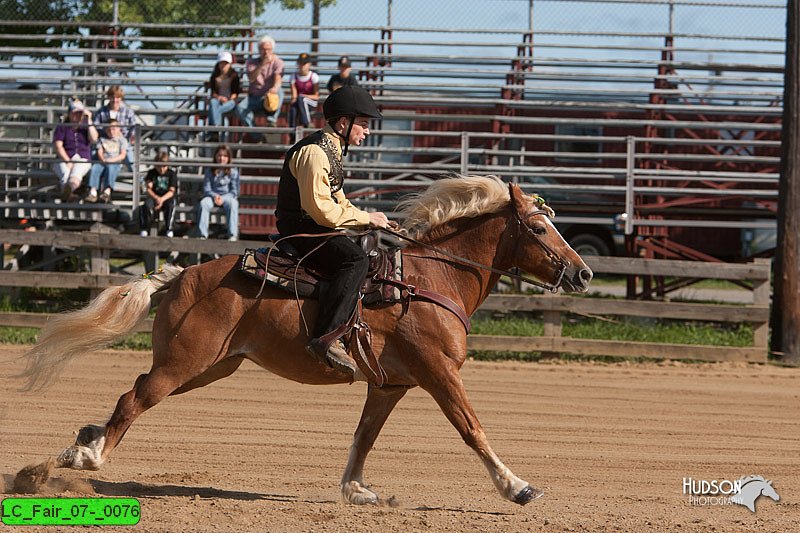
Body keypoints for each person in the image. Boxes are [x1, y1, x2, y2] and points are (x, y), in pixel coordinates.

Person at [275, 85, 388, 376]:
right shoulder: (315, 153)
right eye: (363, 124)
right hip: (302, 229)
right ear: (343, 123)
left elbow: (338, 200)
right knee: (356, 260)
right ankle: (326, 338)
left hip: (312, 225)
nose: (366, 131)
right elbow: (322, 211)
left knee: (367, 246)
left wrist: (369, 218)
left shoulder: (332, 151)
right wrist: (364, 218)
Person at [52, 99, 98, 202]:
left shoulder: (86, 126)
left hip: (83, 157)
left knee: (76, 173)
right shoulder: (62, 127)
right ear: (69, 113)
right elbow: (58, 146)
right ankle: (70, 194)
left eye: (80, 113)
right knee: (65, 173)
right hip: (64, 156)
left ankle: (69, 192)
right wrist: (67, 160)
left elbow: (94, 139)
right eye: (75, 113)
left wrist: (89, 119)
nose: (77, 115)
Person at [236, 35, 285, 128]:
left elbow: (278, 79)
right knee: (240, 108)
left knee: (279, 91)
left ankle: (271, 120)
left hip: (269, 97)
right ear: (259, 50)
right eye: (263, 49)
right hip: (255, 97)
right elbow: (252, 78)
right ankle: (256, 134)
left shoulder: (278, 62)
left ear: (272, 50)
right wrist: (262, 64)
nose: (266, 52)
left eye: (269, 49)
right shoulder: (251, 62)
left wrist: (274, 88)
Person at [197, 144, 239, 241]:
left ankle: (232, 234)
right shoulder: (209, 170)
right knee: (203, 203)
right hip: (212, 196)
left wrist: (223, 198)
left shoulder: (233, 171)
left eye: (224, 156)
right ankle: (202, 235)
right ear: (215, 156)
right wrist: (215, 196)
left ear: (229, 158)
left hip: (227, 197)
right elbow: (207, 189)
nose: (221, 158)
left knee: (233, 203)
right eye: (219, 155)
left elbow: (234, 191)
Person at [94, 85, 138, 171]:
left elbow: (134, 126)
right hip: (105, 144)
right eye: (112, 97)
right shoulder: (101, 111)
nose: (115, 100)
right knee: (94, 159)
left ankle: (139, 182)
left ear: (121, 98)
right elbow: (95, 127)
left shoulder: (128, 112)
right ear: (109, 97)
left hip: (122, 143)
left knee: (132, 163)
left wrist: (132, 136)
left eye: (117, 97)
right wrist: (108, 132)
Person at [86, 119, 128, 203]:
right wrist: (103, 159)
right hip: (103, 161)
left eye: (114, 129)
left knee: (111, 168)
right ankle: (93, 191)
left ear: (119, 129)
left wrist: (111, 160)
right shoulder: (102, 139)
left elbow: (122, 155)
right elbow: (100, 151)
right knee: (95, 168)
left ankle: (107, 191)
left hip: (115, 161)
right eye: (109, 129)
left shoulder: (122, 140)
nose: (111, 131)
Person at [140, 151, 178, 238]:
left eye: (164, 166)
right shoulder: (151, 173)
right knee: (145, 206)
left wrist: (161, 200)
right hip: (154, 197)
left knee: (171, 205)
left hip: (166, 198)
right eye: (159, 166)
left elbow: (171, 191)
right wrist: (156, 198)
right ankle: (144, 228)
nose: (162, 169)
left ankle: (169, 228)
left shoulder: (171, 174)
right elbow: (148, 189)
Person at [207, 51, 241, 141]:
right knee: (213, 103)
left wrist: (228, 99)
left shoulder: (234, 76)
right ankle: (215, 130)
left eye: (225, 64)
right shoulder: (214, 76)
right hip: (218, 100)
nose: (223, 66)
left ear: (229, 64)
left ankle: (213, 131)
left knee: (214, 109)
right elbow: (213, 93)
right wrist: (220, 98)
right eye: (221, 63)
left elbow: (236, 93)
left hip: (231, 101)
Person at [288, 53, 320, 128]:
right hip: (299, 102)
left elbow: (316, 96)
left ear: (309, 64)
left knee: (302, 99)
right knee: (293, 109)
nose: (302, 65)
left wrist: (302, 96)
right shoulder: (293, 76)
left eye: (304, 63)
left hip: (311, 103)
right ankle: (292, 134)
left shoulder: (313, 76)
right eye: (300, 63)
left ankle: (307, 122)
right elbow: (294, 96)